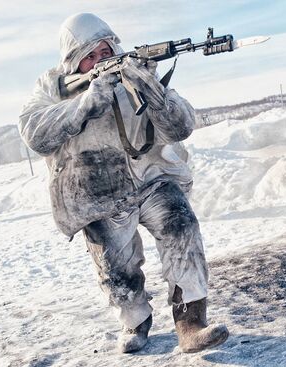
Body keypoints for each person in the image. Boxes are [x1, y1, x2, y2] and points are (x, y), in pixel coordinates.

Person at [19, 13, 228, 354]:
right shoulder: (51, 86)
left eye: (105, 51)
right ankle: (135, 322)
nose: (101, 60)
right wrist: (88, 101)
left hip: (151, 178)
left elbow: (182, 127)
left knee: (181, 226)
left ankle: (191, 322)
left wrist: (154, 91)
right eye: (90, 56)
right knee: (116, 265)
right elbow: (34, 133)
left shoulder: (136, 71)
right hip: (97, 192)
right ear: (73, 61)